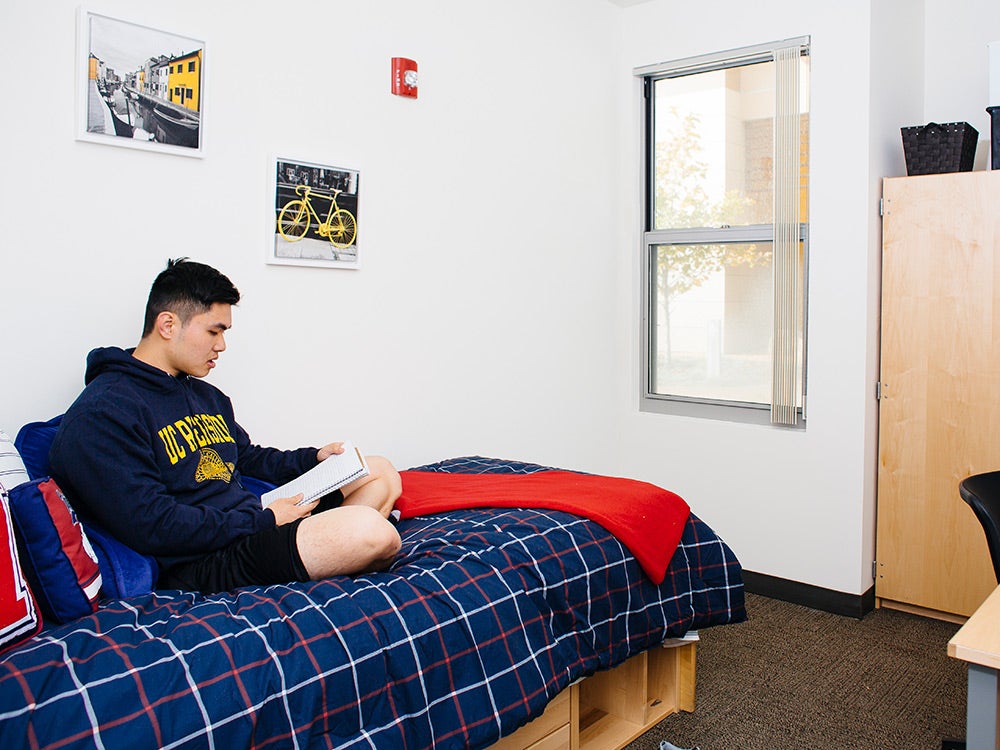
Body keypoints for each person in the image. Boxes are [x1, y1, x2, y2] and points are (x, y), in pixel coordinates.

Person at [49, 258, 402, 594]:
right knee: (374, 533)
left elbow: (247, 457)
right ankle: (335, 548)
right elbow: (153, 524)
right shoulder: (103, 413)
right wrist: (264, 520)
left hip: (251, 522)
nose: (222, 345)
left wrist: (313, 459)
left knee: (380, 471)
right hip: (204, 560)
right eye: (214, 331)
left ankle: (325, 551)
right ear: (168, 325)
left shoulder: (206, 395)